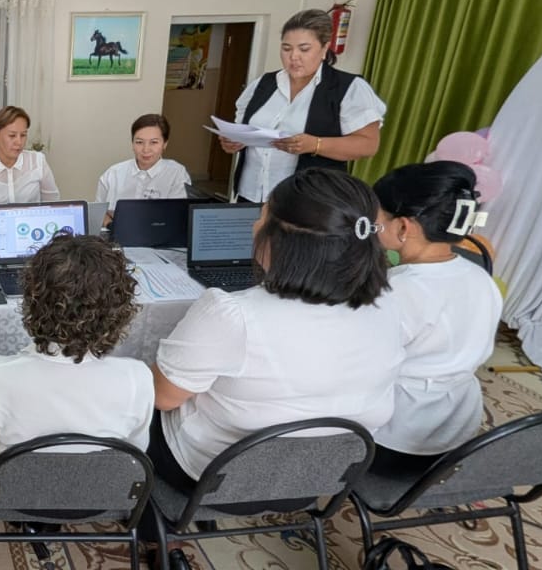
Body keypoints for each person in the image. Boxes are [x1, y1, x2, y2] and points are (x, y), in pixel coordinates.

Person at [152, 168, 403, 488]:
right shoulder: (389, 304)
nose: (254, 226)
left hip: (215, 480)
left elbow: (163, 398)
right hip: (321, 478)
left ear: (282, 240)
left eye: (262, 216)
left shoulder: (232, 314)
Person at [0, 234, 153, 459]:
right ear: (119, 310)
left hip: (15, 481)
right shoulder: (137, 378)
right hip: (103, 481)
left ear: (32, 301)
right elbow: (135, 450)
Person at [371, 161, 503, 471]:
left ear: (403, 227)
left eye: (377, 218)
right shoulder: (480, 278)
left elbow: (363, 366)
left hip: (391, 441)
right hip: (456, 438)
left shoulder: (398, 290)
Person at [220, 9, 387, 202]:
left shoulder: (348, 88)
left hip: (309, 201)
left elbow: (368, 145)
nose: (294, 56)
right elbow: (242, 128)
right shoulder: (263, 84)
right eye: (286, 48)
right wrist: (234, 141)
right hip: (250, 194)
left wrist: (315, 145)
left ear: (324, 49)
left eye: (304, 49)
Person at [0, 106, 60, 230]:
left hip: (35, 229)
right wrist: (7, 229)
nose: (19, 142)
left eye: (23, 135)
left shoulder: (38, 161)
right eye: (12, 136)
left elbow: (53, 202)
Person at [96, 114, 192, 224]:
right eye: (139, 142)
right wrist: (112, 226)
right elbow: (99, 212)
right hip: (115, 232)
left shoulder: (177, 174)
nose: (146, 149)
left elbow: (177, 217)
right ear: (132, 144)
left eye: (154, 142)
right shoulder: (113, 173)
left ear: (165, 144)